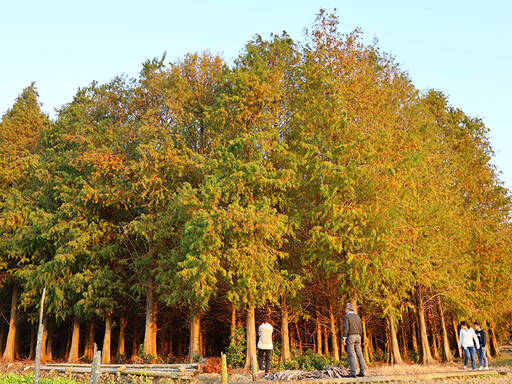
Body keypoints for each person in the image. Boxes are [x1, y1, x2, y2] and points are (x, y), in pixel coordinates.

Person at [343, 302, 365, 378]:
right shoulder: (357, 317)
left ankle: (353, 372)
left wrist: (344, 338)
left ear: (348, 309)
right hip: (358, 336)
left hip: (351, 337)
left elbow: (346, 328)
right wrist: (360, 337)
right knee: (359, 354)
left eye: (346, 308)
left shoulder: (347, 317)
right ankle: (362, 371)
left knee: (351, 354)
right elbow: (360, 328)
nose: (345, 310)